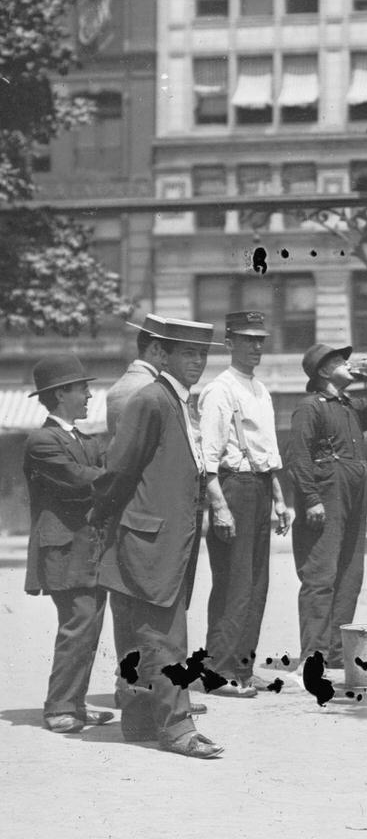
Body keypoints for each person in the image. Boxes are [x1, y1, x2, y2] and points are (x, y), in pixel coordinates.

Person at [91, 317, 224, 759]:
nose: (198, 362)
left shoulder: (178, 401)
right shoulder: (151, 400)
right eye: (188, 353)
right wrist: (105, 519)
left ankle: (139, 721)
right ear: (162, 355)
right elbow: (118, 471)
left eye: (202, 354)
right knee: (166, 640)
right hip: (146, 543)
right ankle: (179, 729)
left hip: (159, 541)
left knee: (138, 638)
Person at [286, 343, 367, 670]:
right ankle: (314, 655)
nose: (349, 364)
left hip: (353, 489)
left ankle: (335, 652)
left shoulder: (349, 406)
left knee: (350, 573)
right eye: (340, 360)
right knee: (320, 575)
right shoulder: (311, 407)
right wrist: (310, 499)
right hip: (327, 491)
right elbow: (299, 457)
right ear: (323, 370)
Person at [197, 311, 293, 698]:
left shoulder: (260, 390)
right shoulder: (219, 390)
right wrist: (219, 507)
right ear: (229, 343)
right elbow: (208, 457)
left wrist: (280, 500)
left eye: (260, 340)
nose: (256, 346)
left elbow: (267, 454)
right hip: (232, 487)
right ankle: (217, 672)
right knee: (232, 585)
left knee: (256, 585)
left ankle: (242, 667)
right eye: (247, 339)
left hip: (259, 487)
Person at [23, 354, 113, 735]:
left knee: (88, 628)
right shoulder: (42, 441)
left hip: (87, 548)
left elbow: (100, 472)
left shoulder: (83, 439)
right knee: (77, 626)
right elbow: (79, 480)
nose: (90, 395)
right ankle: (60, 707)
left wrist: (107, 476)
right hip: (65, 550)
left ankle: (74, 704)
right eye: (82, 389)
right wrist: (111, 478)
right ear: (61, 394)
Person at [106, 312, 171, 434]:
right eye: (170, 351)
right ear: (156, 348)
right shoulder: (155, 388)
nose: (172, 359)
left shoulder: (116, 388)